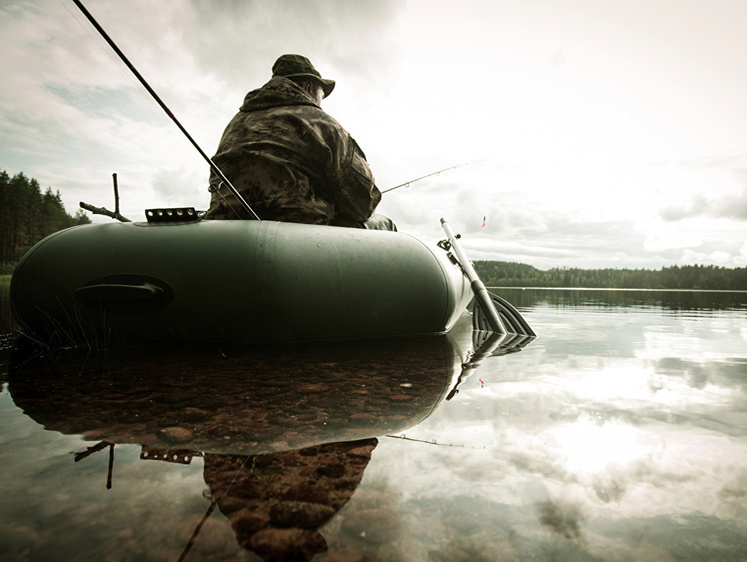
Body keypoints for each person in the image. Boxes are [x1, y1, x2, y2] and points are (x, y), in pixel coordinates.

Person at [205, 54, 395, 230]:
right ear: (307, 87)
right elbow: (363, 204)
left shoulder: (236, 122)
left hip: (228, 228)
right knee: (386, 224)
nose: (322, 102)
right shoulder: (322, 124)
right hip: (299, 236)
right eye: (322, 94)